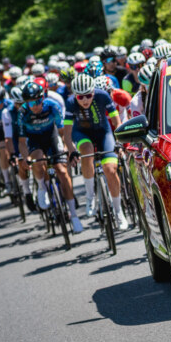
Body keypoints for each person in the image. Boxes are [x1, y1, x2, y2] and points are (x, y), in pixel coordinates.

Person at [17, 81, 83, 233]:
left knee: (62, 172)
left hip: (51, 136)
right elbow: (21, 142)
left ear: (43, 98)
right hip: (34, 141)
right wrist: (26, 158)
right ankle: (41, 187)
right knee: (38, 161)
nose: (35, 105)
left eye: (38, 101)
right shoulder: (22, 113)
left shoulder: (52, 105)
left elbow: (62, 132)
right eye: (30, 102)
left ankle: (73, 215)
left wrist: (67, 148)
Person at [65, 74, 129, 230]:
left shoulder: (102, 96)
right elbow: (66, 133)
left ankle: (118, 211)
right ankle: (90, 196)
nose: (85, 100)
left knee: (110, 170)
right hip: (81, 134)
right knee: (86, 150)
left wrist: (119, 141)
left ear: (94, 91)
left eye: (88, 95)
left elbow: (116, 121)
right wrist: (72, 150)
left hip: (103, 132)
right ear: (75, 95)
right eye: (81, 96)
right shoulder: (70, 103)